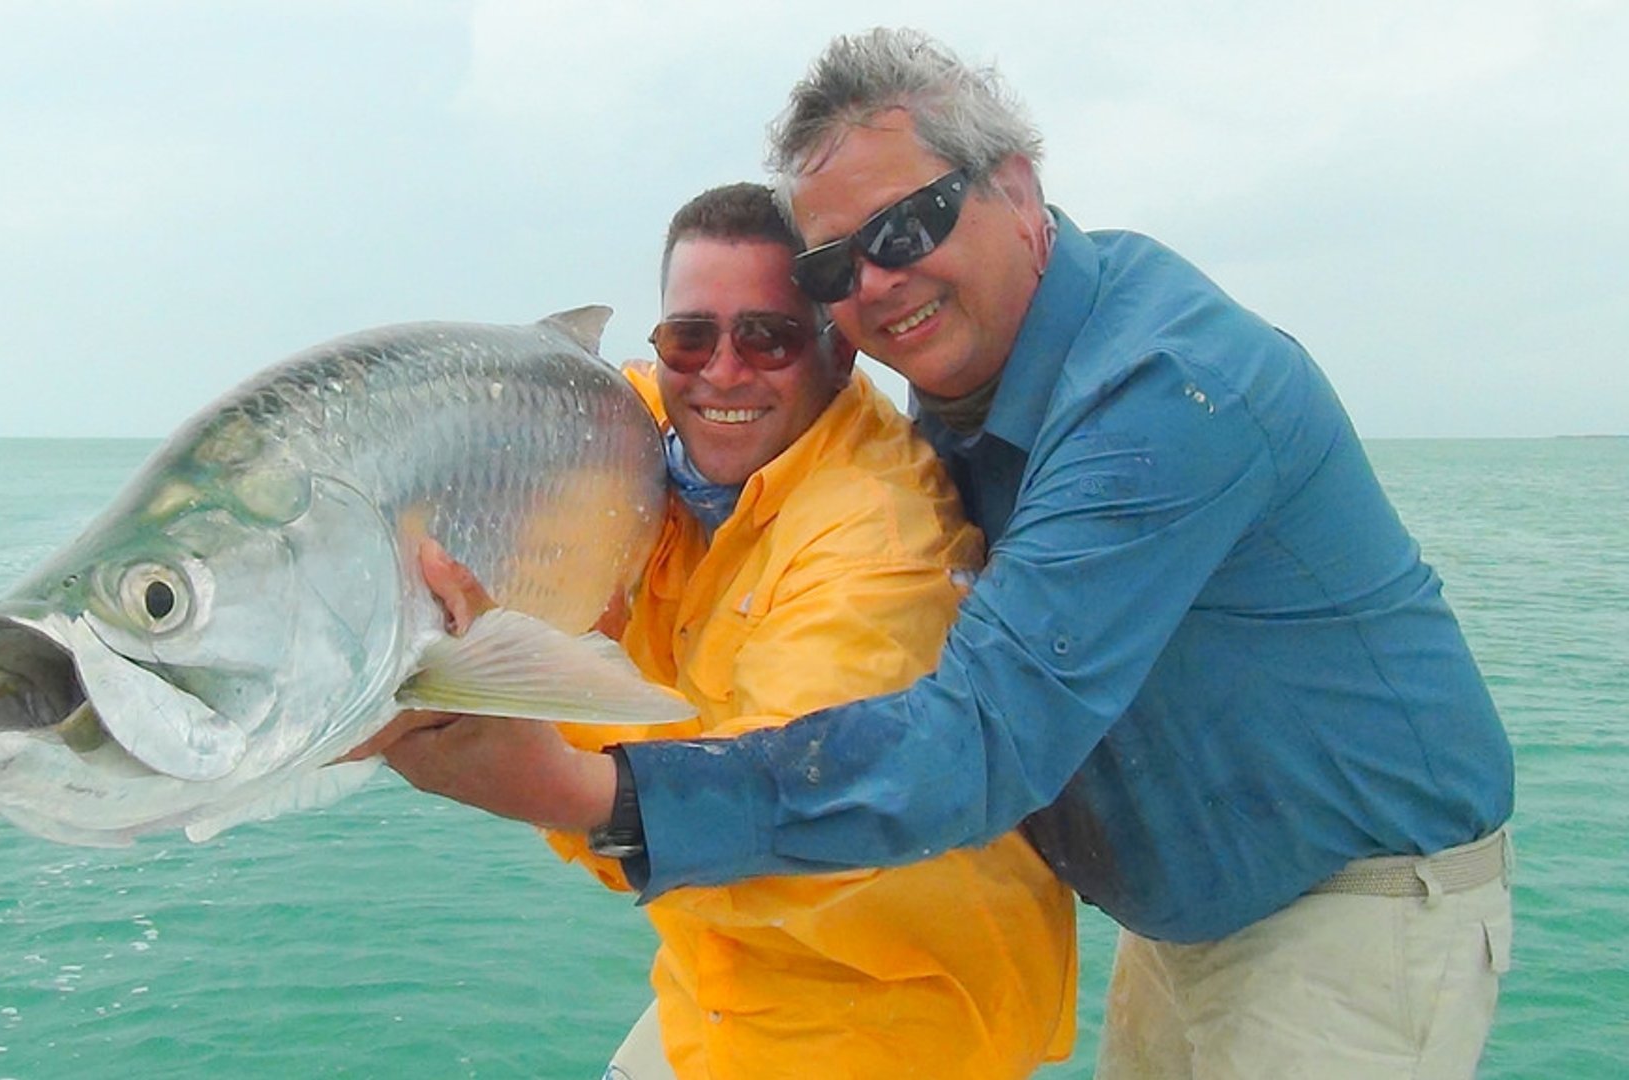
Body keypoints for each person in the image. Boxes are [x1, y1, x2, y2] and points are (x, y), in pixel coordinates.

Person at [365, 29, 1515, 1080]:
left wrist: (597, 794)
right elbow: (674, 404)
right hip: (1194, 905)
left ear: (1020, 188)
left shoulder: (1166, 394)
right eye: (832, 268)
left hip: (1353, 903)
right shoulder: (964, 366)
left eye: (906, 229)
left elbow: (980, 741)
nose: (876, 283)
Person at [370, 182, 1076, 1079]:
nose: (723, 373)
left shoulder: (874, 541)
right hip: (719, 990)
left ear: (837, 352)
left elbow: (776, 836)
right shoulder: (674, 444)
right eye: (690, 337)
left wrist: (539, 759)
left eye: (768, 337)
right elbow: (523, 423)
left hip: (882, 1024)